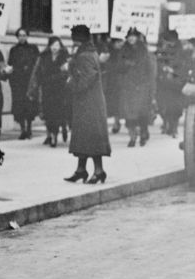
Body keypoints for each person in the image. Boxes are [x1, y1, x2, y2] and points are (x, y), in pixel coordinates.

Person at [64, 24, 111, 183]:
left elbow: (87, 78)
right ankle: (81, 170)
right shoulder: (88, 53)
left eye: (74, 40)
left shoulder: (84, 55)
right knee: (84, 136)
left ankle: (99, 171)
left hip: (89, 102)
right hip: (88, 102)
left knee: (91, 136)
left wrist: (71, 81)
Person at [116, 28, 155, 147]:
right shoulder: (123, 51)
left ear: (137, 38)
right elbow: (118, 69)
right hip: (128, 87)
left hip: (142, 86)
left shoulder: (144, 51)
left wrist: (149, 87)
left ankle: (143, 133)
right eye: (129, 36)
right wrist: (125, 67)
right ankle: (132, 136)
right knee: (129, 114)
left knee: (142, 112)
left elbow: (149, 70)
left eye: (133, 36)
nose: (131, 39)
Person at [6, 28, 41, 139]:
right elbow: (10, 64)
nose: (22, 37)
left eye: (24, 35)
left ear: (27, 36)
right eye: (20, 35)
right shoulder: (14, 50)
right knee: (19, 105)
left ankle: (29, 128)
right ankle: (22, 129)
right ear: (17, 37)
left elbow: (38, 64)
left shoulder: (33, 49)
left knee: (29, 105)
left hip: (29, 82)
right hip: (17, 82)